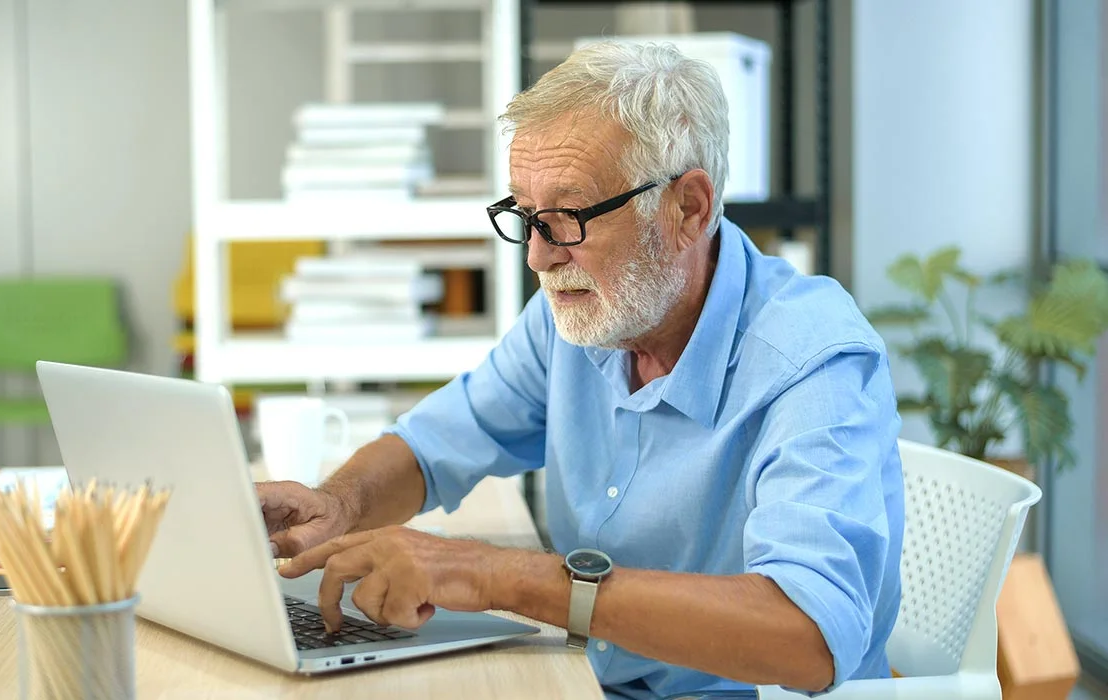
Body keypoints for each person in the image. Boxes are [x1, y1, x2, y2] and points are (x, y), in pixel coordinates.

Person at [260, 40, 904, 699]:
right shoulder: (581, 315)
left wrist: (494, 576)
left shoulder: (811, 358)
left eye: (568, 217)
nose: (538, 257)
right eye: (526, 216)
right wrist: (340, 504)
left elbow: (809, 636)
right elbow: (432, 447)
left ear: (688, 209)